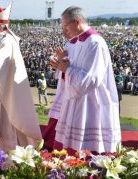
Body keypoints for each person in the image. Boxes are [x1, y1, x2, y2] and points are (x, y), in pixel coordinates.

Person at [50, 6, 121, 153]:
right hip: (74, 101)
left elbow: (90, 80)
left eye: (65, 25)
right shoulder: (76, 43)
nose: (64, 30)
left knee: (87, 153)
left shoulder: (95, 43)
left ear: (77, 21)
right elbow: (70, 69)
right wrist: (61, 62)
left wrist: (66, 69)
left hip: (91, 103)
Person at [0, 0, 42, 151]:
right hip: (0, 88)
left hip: (3, 93)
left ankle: (5, 156)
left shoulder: (6, 42)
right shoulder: (3, 40)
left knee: (4, 125)